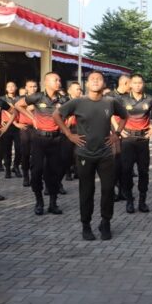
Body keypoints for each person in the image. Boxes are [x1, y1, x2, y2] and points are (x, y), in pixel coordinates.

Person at [54, 71, 128, 241]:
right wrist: (69, 134)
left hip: (105, 154)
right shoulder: (77, 102)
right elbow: (56, 115)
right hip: (84, 154)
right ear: (86, 84)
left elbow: (125, 116)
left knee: (108, 189)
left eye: (99, 79)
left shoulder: (110, 102)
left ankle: (105, 222)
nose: (95, 81)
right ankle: (86, 225)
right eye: (92, 79)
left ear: (104, 84)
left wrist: (117, 134)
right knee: (86, 191)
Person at [14, 72, 68, 216]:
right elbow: (18, 105)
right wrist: (33, 118)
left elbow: (70, 113)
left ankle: (53, 203)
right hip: (39, 139)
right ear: (46, 82)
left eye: (59, 80)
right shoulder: (37, 97)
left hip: (56, 139)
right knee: (36, 171)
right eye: (55, 80)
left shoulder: (64, 99)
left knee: (54, 173)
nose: (59, 82)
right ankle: (39, 202)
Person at [117, 74, 152, 214]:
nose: (137, 85)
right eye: (134, 83)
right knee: (126, 170)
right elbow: (112, 114)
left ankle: (142, 201)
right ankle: (129, 200)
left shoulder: (150, 98)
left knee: (143, 171)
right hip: (127, 139)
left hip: (143, 139)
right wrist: (118, 130)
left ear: (143, 84)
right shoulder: (122, 99)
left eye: (140, 83)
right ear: (130, 84)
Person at [106, 75, 130, 200]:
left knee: (125, 164)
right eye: (130, 84)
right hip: (114, 134)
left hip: (127, 134)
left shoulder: (129, 96)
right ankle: (112, 191)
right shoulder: (109, 96)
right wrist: (117, 129)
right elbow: (108, 114)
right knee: (114, 163)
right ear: (125, 83)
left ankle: (123, 190)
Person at [16, 79, 38, 186]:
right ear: (26, 88)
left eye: (35, 86)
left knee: (36, 154)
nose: (33, 89)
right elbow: (12, 113)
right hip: (25, 129)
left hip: (37, 129)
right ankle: (26, 176)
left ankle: (35, 175)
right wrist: (16, 124)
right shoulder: (20, 99)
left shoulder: (40, 99)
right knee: (25, 153)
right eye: (30, 86)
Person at [60, 82, 83, 183]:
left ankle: (77, 171)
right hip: (67, 128)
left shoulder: (82, 101)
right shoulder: (64, 101)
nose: (79, 91)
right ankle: (68, 172)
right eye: (77, 89)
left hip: (79, 128)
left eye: (80, 89)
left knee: (78, 152)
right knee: (67, 152)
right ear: (70, 90)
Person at [0, 81, 22, 179]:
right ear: (6, 89)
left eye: (13, 86)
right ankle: (7, 169)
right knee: (6, 149)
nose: (11, 88)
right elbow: (0, 112)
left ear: (16, 88)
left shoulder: (21, 99)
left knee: (19, 148)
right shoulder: (1, 99)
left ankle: (16, 166)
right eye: (9, 86)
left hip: (19, 126)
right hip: (6, 126)